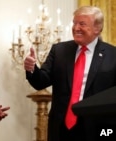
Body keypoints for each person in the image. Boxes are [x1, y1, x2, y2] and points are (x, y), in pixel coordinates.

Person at [24, 6, 116, 141]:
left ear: (97, 28)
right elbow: (41, 82)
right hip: (61, 128)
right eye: (74, 23)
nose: (76, 27)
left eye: (82, 24)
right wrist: (32, 68)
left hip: (97, 129)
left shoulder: (113, 55)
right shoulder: (59, 50)